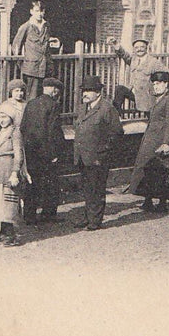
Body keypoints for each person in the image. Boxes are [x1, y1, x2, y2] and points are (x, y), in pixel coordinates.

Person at [72, 76, 122, 231]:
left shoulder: (107, 109)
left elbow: (117, 133)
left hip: (98, 158)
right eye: (84, 91)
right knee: (87, 189)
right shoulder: (83, 108)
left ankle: (95, 220)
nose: (85, 94)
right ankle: (88, 217)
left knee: (97, 189)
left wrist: (103, 151)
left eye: (89, 91)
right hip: (83, 156)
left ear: (98, 92)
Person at [128, 71, 169, 213]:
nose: (155, 87)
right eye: (154, 84)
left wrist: (167, 143)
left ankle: (162, 202)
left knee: (160, 171)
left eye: (158, 84)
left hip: (160, 141)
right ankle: (148, 200)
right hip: (151, 140)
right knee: (149, 170)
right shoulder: (158, 98)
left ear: (166, 84)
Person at [0, 105, 29, 246]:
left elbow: (19, 155)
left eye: (4, 117)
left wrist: (15, 173)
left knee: (8, 204)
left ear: (11, 117)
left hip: (7, 169)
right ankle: (1, 231)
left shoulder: (15, 132)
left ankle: (11, 234)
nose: (2, 120)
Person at [21, 77, 66, 225]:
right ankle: (48, 215)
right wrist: (54, 154)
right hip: (47, 153)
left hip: (31, 151)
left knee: (32, 183)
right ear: (54, 90)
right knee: (51, 184)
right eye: (57, 92)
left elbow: (23, 127)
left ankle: (29, 216)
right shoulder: (53, 105)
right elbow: (53, 132)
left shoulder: (30, 104)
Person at [109, 38, 167, 114]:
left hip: (146, 95)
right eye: (136, 48)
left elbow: (168, 74)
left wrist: (160, 91)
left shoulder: (153, 62)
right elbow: (124, 55)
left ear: (146, 48)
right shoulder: (134, 60)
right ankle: (115, 117)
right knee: (120, 89)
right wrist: (116, 44)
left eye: (142, 47)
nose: (139, 49)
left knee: (151, 118)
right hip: (134, 92)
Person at [12, 1, 51, 99]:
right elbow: (16, 47)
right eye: (37, 11)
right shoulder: (26, 27)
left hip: (45, 68)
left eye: (42, 11)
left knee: (44, 98)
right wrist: (23, 65)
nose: (40, 14)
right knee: (32, 98)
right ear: (31, 11)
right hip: (31, 69)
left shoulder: (46, 26)